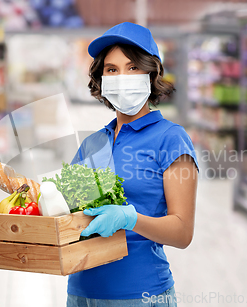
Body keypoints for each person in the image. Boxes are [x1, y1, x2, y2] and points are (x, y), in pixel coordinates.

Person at [67, 22, 199, 307]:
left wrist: (130, 219)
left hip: (140, 295)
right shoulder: (92, 144)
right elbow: (69, 216)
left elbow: (183, 232)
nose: (122, 76)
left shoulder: (172, 139)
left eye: (132, 67)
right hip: (80, 292)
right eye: (112, 69)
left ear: (151, 74)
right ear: (101, 79)